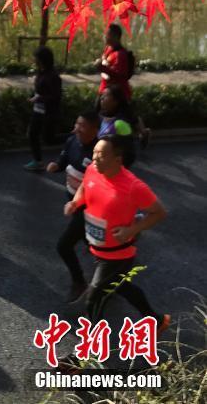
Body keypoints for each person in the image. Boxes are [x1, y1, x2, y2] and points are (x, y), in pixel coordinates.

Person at [64, 134, 170, 332]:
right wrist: (75, 202)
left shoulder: (133, 186)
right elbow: (85, 189)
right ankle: (156, 320)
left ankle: (88, 350)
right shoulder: (92, 170)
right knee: (121, 286)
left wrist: (132, 229)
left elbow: (160, 212)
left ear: (117, 159)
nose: (95, 158)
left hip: (118, 254)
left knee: (93, 298)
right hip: (98, 247)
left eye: (101, 154)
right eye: (94, 152)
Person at [46, 110, 100, 302]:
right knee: (90, 241)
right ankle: (111, 268)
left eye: (82, 126)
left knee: (64, 246)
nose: (77, 128)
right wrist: (56, 166)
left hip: (89, 208)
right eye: (77, 124)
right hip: (74, 203)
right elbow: (64, 160)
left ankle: (80, 282)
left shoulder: (98, 153)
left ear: (95, 130)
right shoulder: (72, 141)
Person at [24, 46, 62, 172]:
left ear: (43, 59)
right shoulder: (41, 72)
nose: (34, 60)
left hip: (48, 112)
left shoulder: (53, 76)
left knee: (49, 139)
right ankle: (38, 161)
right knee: (32, 134)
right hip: (38, 110)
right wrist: (34, 97)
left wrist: (39, 99)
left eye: (37, 58)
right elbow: (40, 90)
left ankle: (73, 139)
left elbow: (55, 96)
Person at [97, 85, 137, 167]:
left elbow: (129, 154)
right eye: (102, 95)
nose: (102, 98)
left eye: (106, 96)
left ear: (115, 101)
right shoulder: (99, 117)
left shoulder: (121, 123)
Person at [96, 24, 132, 101]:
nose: (105, 37)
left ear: (115, 36)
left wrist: (102, 68)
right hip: (104, 92)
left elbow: (120, 75)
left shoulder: (120, 55)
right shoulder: (108, 49)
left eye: (108, 34)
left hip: (116, 97)